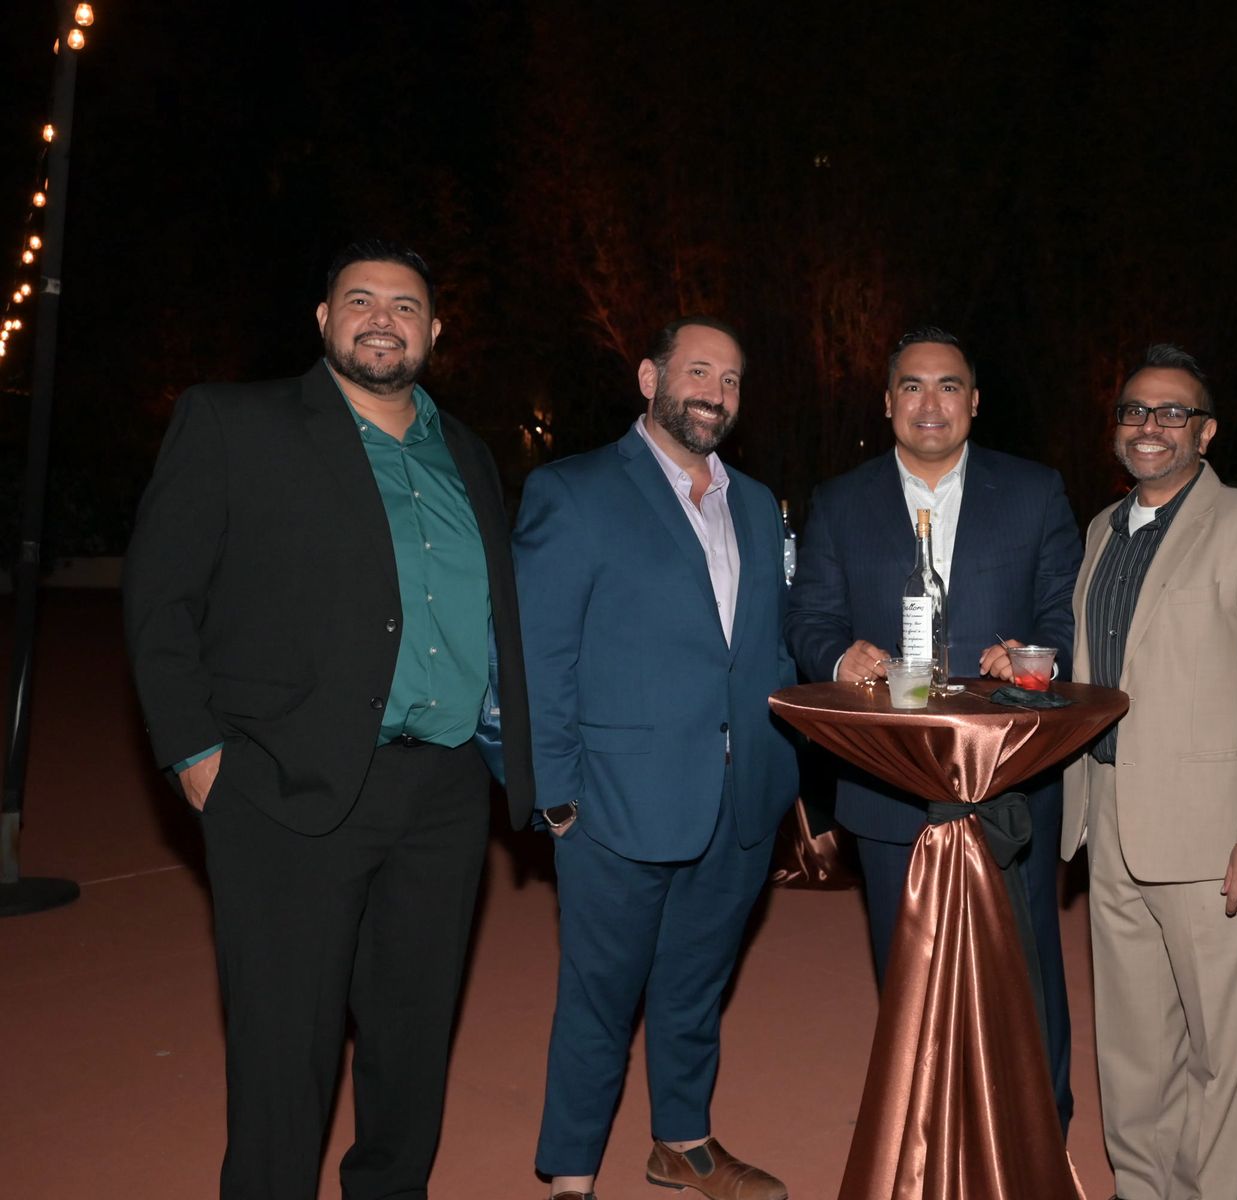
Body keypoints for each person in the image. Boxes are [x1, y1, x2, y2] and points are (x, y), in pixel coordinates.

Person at [123, 240, 535, 1200]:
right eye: (361, 300)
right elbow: (159, 598)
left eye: (405, 305)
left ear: (435, 331)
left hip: (442, 793)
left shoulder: (468, 452)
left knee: (411, 1038)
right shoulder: (235, 423)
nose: (383, 319)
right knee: (284, 1049)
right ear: (323, 319)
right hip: (284, 783)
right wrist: (195, 752)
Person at [516, 316, 798, 1200]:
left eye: (731, 379)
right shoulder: (574, 491)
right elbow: (537, 657)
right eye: (698, 371)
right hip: (615, 801)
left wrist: (785, 768)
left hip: (739, 800)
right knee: (599, 999)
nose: (715, 392)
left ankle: (682, 1141)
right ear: (649, 378)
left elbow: (765, 649)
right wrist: (555, 796)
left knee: (695, 987)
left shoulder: (756, 504)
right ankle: (571, 1178)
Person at [784, 325, 1084, 1129]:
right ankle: (929, 1133)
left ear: (974, 401)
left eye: (948, 386)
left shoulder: (1034, 492)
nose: (930, 402)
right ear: (888, 402)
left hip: (1009, 775)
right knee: (909, 972)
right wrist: (838, 656)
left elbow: (1063, 611)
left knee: (1025, 966)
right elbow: (808, 618)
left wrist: (1033, 657)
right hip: (891, 783)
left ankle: (1038, 1132)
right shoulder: (840, 502)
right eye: (912, 386)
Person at [1060, 344, 1237, 1199]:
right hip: (1109, 810)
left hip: (1211, 833)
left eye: (1172, 412)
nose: (1149, 426)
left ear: (1206, 431)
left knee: (1218, 1049)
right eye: (1134, 411)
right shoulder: (1102, 529)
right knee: (1131, 1044)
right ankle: (1139, 1187)